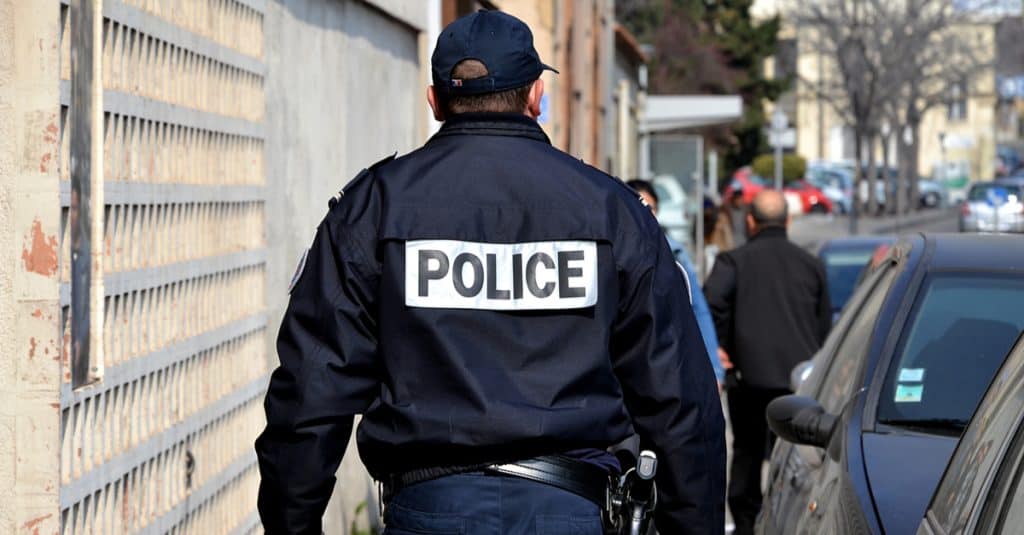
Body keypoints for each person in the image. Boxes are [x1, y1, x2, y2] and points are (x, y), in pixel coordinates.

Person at [255, 10, 725, 535]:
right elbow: (680, 399)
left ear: (434, 101)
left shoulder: (373, 208)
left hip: (428, 512)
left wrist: (291, 525)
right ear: (535, 97)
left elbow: (310, 392)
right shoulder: (613, 213)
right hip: (571, 512)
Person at [703, 189, 831, 535]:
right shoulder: (811, 265)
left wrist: (721, 348)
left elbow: (710, 305)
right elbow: (823, 328)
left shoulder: (733, 262)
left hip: (748, 379)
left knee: (746, 451)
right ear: (788, 221)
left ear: (750, 221)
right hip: (799, 384)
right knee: (794, 459)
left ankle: (745, 524)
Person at [626, 179, 725, 387]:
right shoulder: (612, 252)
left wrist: (714, 370)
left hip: (668, 361)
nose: (643, 213)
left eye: (649, 207)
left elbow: (698, 309)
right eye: (635, 204)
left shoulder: (675, 253)